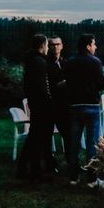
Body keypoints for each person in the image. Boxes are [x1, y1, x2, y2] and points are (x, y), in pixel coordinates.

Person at [65, 33, 104, 185]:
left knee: (74, 143)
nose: (95, 47)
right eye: (94, 44)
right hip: (91, 106)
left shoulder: (70, 62)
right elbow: (102, 83)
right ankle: (91, 178)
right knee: (92, 144)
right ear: (88, 46)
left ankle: (73, 177)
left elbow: (67, 82)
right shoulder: (95, 62)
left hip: (74, 105)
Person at [17, 34, 54, 181]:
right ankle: (34, 170)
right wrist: (49, 101)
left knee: (34, 137)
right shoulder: (38, 62)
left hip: (36, 103)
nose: (47, 48)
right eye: (46, 45)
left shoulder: (32, 60)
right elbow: (42, 86)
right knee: (37, 138)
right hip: (41, 105)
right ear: (42, 45)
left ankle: (27, 168)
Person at [47, 36, 69, 165]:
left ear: (62, 46)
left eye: (58, 44)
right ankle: (49, 163)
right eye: (52, 44)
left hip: (64, 104)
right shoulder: (46, 63)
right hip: (51, 103)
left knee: (67, 134)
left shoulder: (65, 62)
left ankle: (70, 161)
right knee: (46, 135)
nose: (55, 47)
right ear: (48, 46)